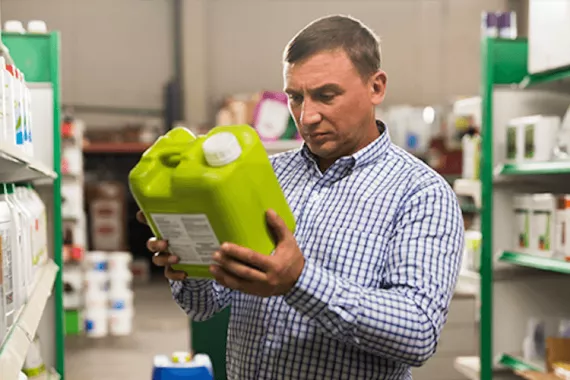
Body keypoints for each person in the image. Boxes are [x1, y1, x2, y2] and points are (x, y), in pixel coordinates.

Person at [139, 14, 464, 380]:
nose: (307, 117)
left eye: (326, 96)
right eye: (295, 97)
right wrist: (189, 258)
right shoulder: (265, 175)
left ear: (376, 87)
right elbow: (205, 306)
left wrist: (300, 281)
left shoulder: (421, 194)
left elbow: (418, 332)